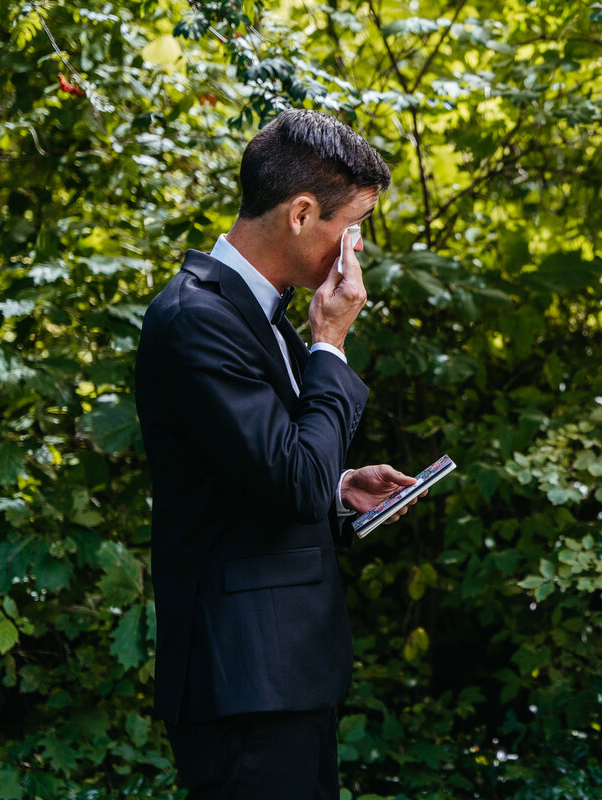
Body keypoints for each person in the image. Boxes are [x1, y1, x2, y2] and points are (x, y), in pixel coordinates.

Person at [136, 108, 420, 799]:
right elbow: (290, 479)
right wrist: (330, 345)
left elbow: (267, 466)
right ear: (300, 213)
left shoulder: (255, 312)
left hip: (280, 673)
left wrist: (338, 484)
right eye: (351, 228)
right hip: (244, 681)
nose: (356, 251)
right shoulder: (196, 318)